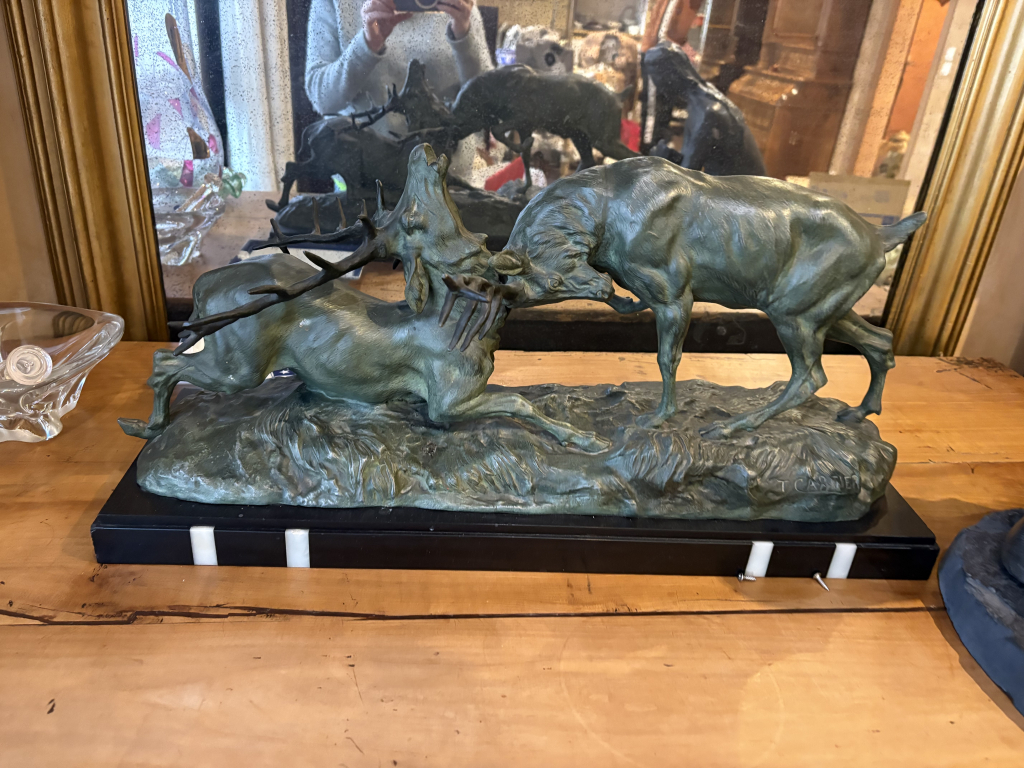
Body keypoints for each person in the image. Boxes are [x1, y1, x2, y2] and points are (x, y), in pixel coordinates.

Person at [306, 0, 492, 132]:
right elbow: (321, 99)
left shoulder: (460, 5)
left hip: (445, 166)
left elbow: (488, 103)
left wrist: (463, 37)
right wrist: (366, 46)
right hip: (363, 167)